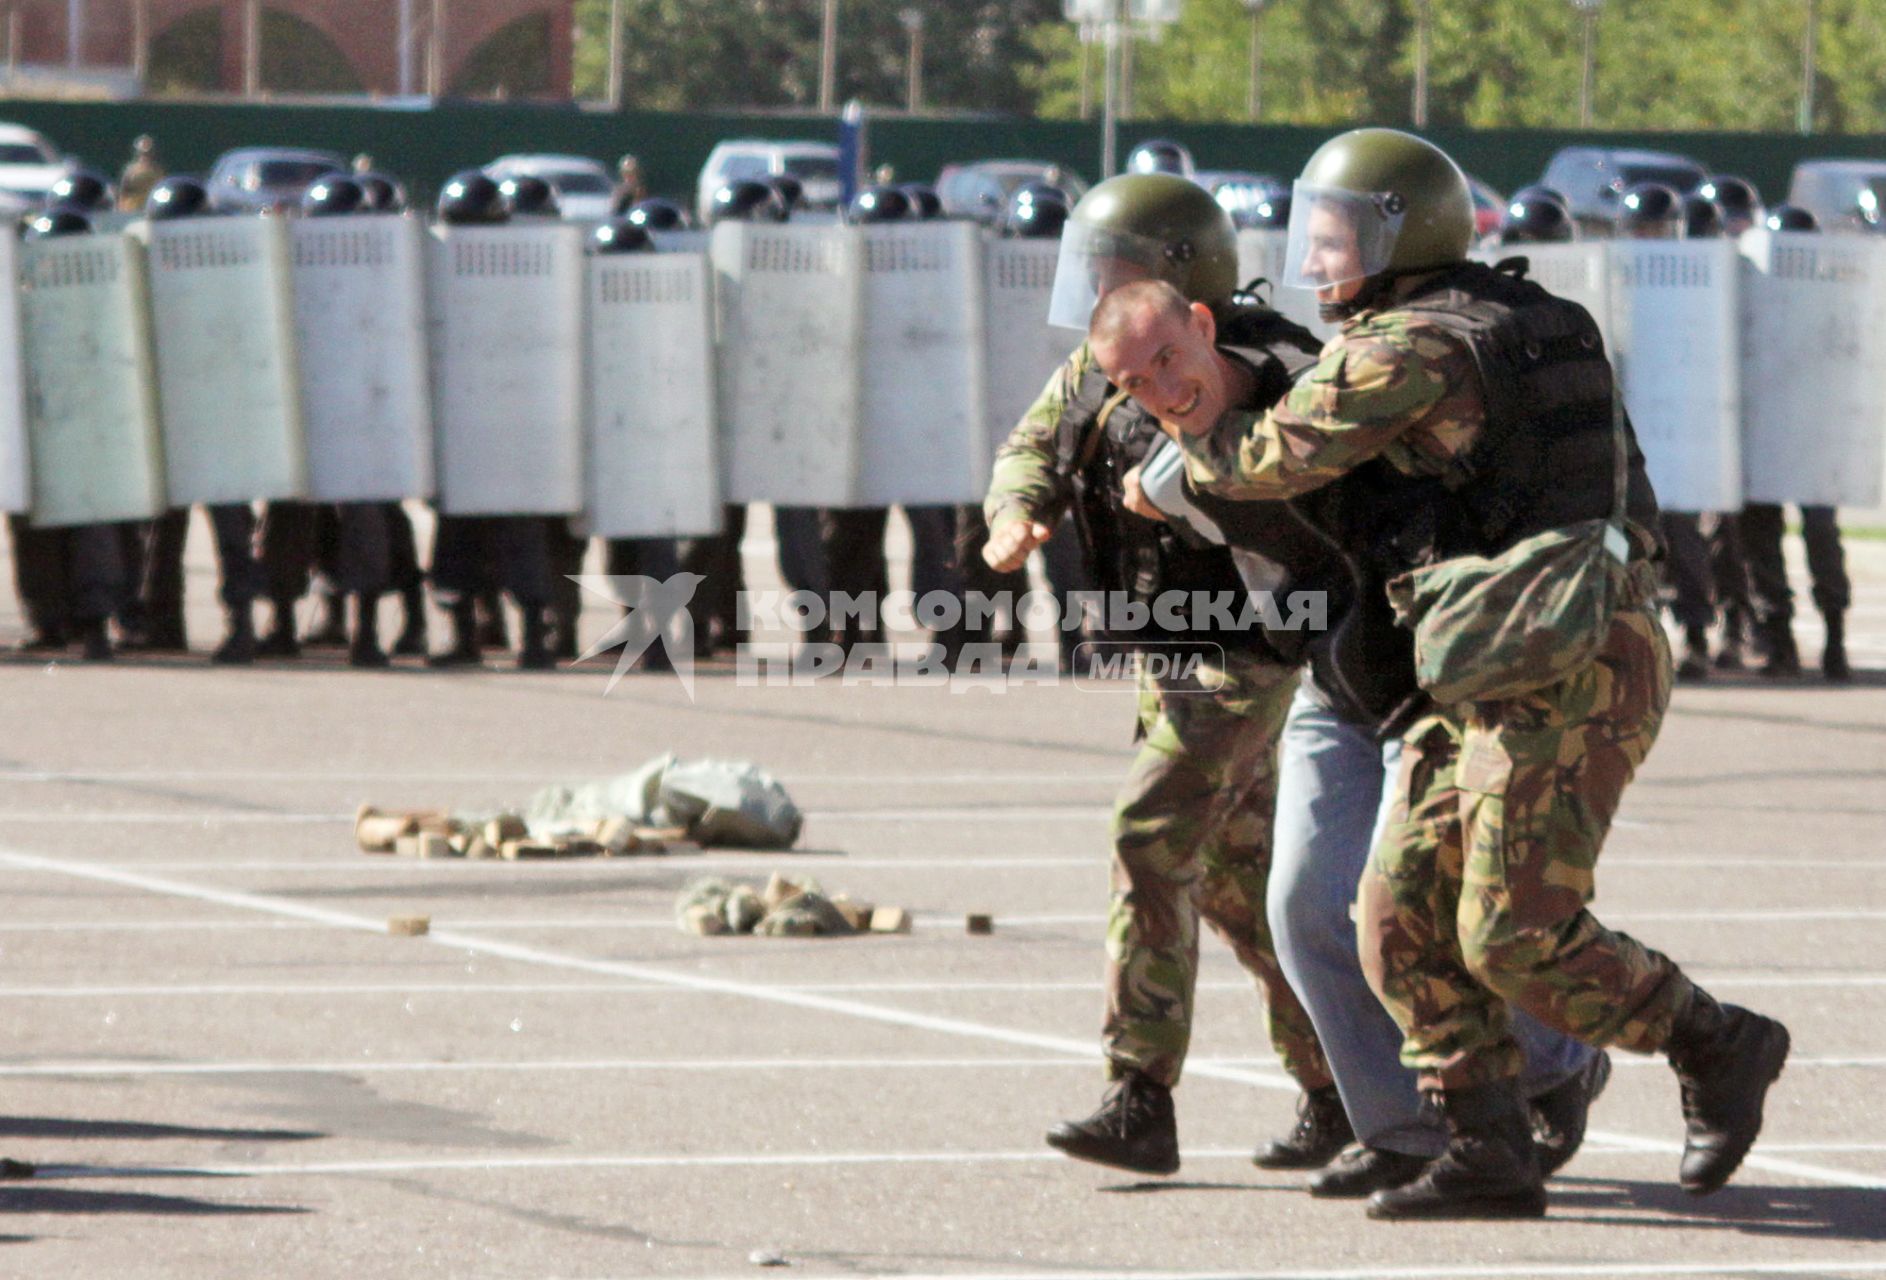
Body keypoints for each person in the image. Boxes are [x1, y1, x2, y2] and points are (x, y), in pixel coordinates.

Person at [1106, 127, 1790, 1218]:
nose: (1314, 258)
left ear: (1399, 231)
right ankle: (1485, 1144)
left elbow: (1270, 456)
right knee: (1391, 911)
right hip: (1480, 652)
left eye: (1333, 237)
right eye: (1310, 236)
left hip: (1570, 662)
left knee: (1510, 934)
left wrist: (1174, 457)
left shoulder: (1406, 348)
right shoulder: (1513, 315)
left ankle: (1717, 1040)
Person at [983, 172, 1348, 1178]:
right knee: (1240, 886)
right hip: (1174, 652)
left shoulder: (1274, 373)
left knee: (1147, 835)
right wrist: (1014, 513)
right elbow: (1032, 445)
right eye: (1092, 275)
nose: (1101, 291)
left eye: (1119, 271)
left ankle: (1138, 1093)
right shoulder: (1107, 363)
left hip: (1258, 652)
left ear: (1189, 287)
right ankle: (1341, 1088)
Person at [1738, 205, 1852, 682]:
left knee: (1817, 538)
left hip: (1809, 435)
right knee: (1768, 542)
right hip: (1769, 433)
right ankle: (1784, 639)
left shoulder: (1833, 298)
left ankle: (1831, 639)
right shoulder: (1752, 294)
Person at [116, 135, 164, 214]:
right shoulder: (131, 170)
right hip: (130, 210)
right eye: (143, 153)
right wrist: (120, 207)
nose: (145, 156)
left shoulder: (157, 171)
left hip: (149, 210)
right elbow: (123, 191)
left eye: (148, 153)